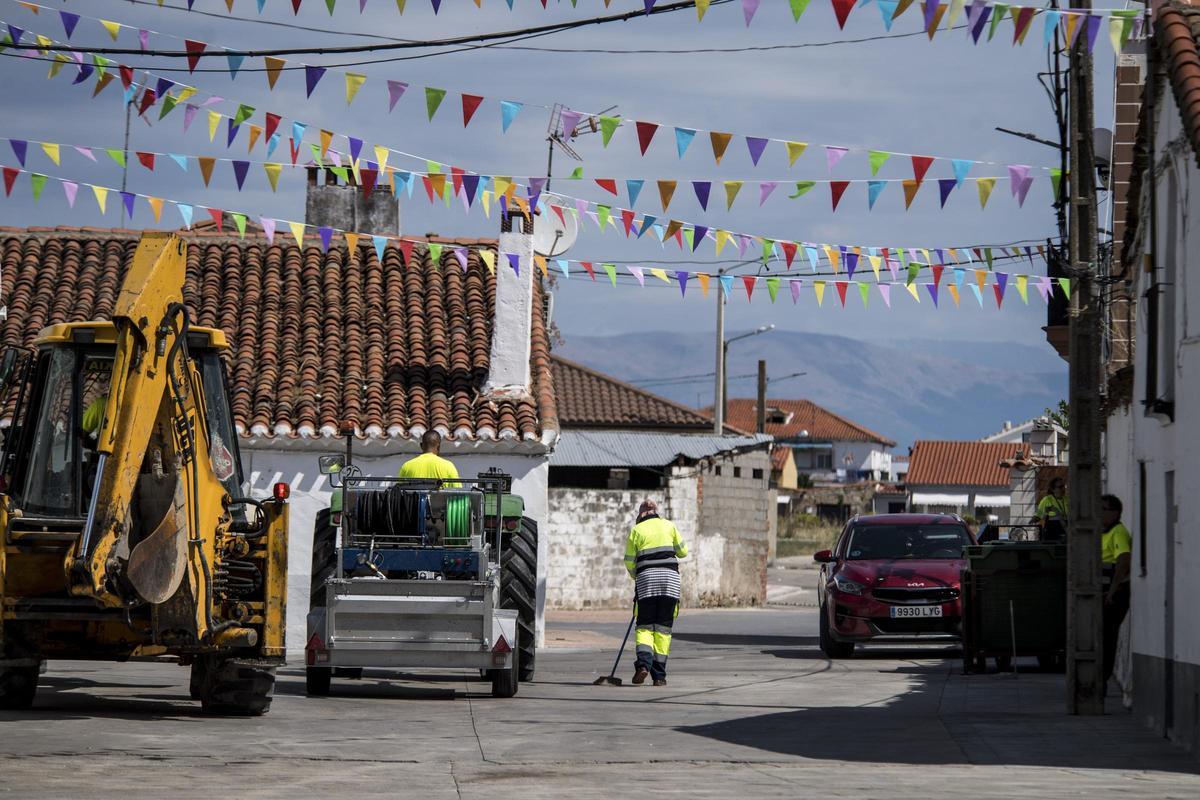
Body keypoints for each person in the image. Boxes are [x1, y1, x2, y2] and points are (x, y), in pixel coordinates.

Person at [623, 499, 688, 686]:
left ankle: (643, 665)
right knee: (663, 629)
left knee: (644, 626)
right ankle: (659, 676)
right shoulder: (669, 526)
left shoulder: (637, 531)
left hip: (647, 582)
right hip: (670, 582)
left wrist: (638, 577)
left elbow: (629, 562)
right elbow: (683, 552)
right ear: (656, 511)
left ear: (641, 514)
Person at [1100, 494, 1132, 687]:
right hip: (1102, 593)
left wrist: (1112, 591)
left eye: (1103, 509)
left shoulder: (1118, 532)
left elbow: (1123, 560)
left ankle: (1102, 679)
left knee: (1106, 637)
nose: (1099, 513)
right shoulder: (1101, 532)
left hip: (1114, 595)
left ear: (1115, 513)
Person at [1036, 477, 1069, 542]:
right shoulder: (1047, 499)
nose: (1063, 489)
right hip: (1052, 532)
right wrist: (1034, 519)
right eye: (1060, 487)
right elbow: (1038, 515)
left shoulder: (1067, 499)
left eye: (1064, 486)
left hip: (1066, 529)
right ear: (1053, 489)